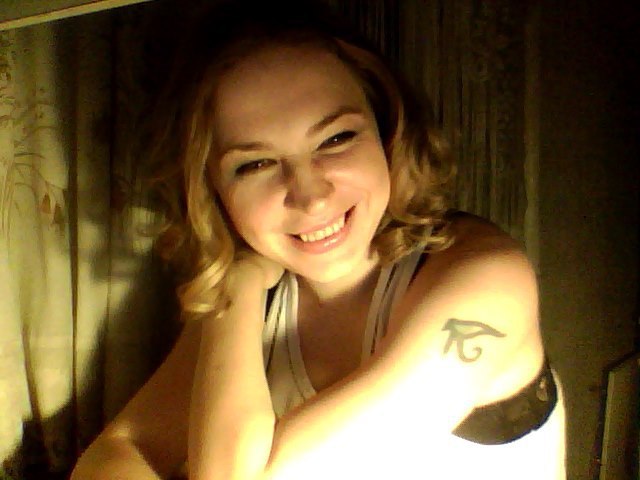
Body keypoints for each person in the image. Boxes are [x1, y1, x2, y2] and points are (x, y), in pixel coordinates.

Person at [71, 1, 566, 479]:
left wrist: (236, 284)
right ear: (210, 190)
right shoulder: (257, 299)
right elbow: (116, 453)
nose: (310, 197)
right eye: (255, 164)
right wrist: (237, 284)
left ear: (387, 131)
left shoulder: (486, 283)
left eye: (336, 139)